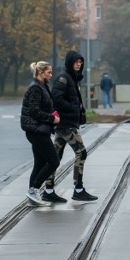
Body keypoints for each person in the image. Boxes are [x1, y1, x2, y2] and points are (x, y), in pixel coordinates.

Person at [45, 50, 98, 202]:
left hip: (65, 124)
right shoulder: (64, 78)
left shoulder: (73, 79)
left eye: (80, 62)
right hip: (66, 124)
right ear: (69, 63)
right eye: (76, 62)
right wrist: (73, 108)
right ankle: (78, 189)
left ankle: (48, 190)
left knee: (55, 157)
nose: (79, 64)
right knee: (82, 153)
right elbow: (56, 98)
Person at [20, 61, 61, 206]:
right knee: (53, 161)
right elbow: (34, 111)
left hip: (39, 130)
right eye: (49, 72)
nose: (51, 74)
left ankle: (32, 196)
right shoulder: (36, 88)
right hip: (36, 131)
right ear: (40, 72)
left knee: (40, 163)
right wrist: (52, 119)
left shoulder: (42, 86)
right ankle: (34, 189)